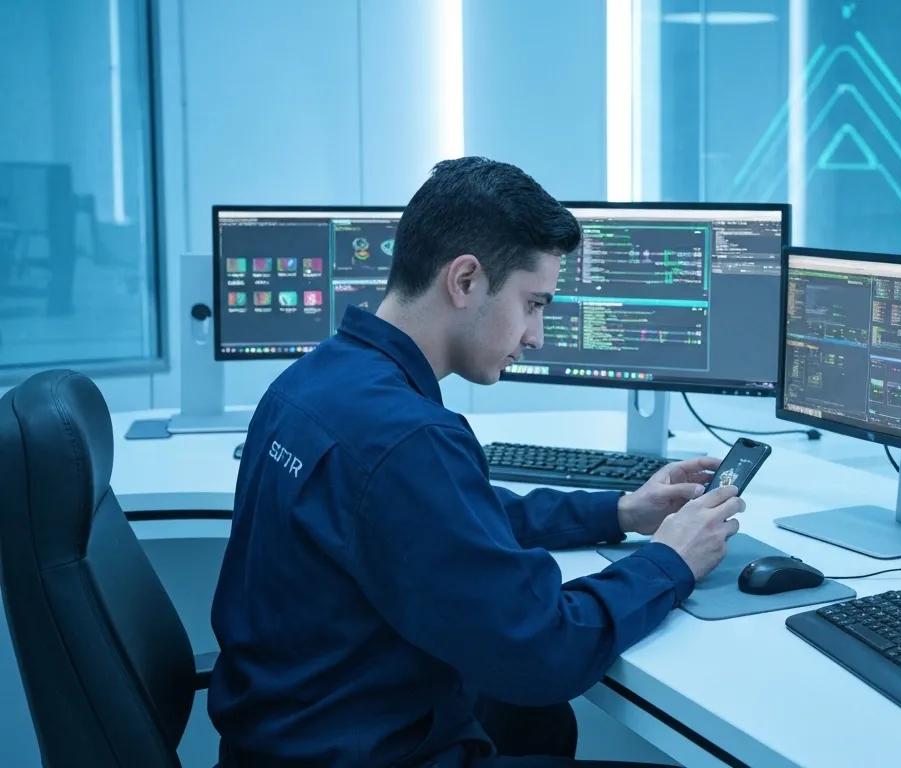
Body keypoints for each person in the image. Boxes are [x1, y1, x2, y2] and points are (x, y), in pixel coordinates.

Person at [209, 157, 744, 767]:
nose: (537, 334)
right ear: (465, 281)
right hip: (370, 751)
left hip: (290, 736)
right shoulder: (408, 439)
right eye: (534, 303)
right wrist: (670, 562)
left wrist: (621, 510)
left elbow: (447, 522)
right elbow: (545, 649)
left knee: (535, 724)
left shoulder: (309, 385)